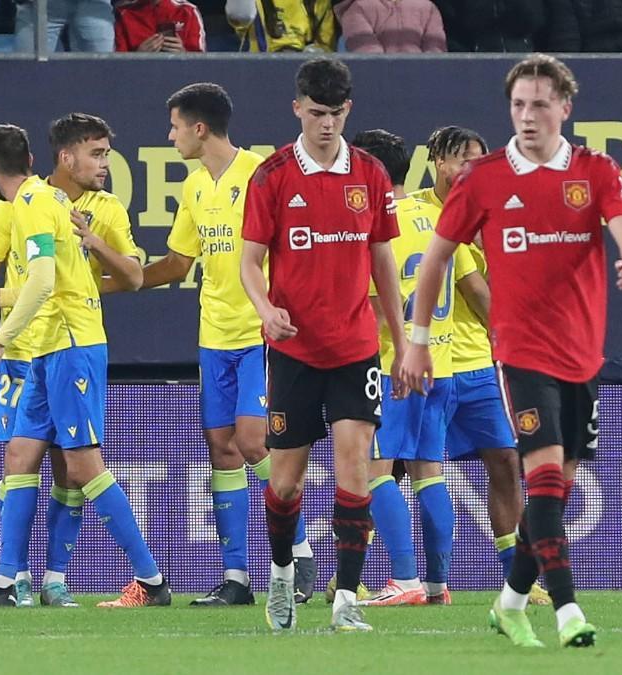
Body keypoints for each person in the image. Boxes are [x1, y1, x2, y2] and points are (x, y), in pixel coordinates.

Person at [401, 53, 622, 648]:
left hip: (582, 354)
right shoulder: (484, 177)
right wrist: (417, 341)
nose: (528, 116)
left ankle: (509, 603)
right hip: (519, 351)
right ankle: (566, 613)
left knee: (554, 490)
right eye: (518, 105)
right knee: (539, 478)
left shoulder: (596, 169)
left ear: (565, 107)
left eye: (540, 104)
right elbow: (435, 258)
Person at [0, 123, 168, 608]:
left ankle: (151, 582)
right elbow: (45, 283)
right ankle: (7, 582)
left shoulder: (30, 206)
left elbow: (45, 284)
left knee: (83, 465)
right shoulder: (47, 204)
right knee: (20, 455)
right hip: (51, 346)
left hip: (70, 345)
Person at [128, 82, 315, 607]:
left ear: (199, 128)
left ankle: (298, 549)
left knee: (255, 442)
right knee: (222, 449)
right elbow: (178, 263)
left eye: (174, 127)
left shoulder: (262, 173)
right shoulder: (193, 187)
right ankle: (236, 578)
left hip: (259, 334)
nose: (171, 137)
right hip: (213, 337)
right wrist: (110, 275)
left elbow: (294, 246)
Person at [239, 58, 406, 632]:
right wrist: (266, 310)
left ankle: (347, 600)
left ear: (348, 111)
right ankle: (282, 575)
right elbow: (249, 262)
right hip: (293, 350)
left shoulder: (372, 175)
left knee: (355, 463)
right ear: (297, 109)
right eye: (316, 113)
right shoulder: (272, 175)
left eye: (335, 114)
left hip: (356, 346)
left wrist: (402, 341)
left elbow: (383, 260)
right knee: (286, 481)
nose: (326, 124)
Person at [349, 129, 486, 607]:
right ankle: (436, 584)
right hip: (442, 366)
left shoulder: (377, 226)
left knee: (374, 471)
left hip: (394, 367)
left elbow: (370, 304)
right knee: (430, 472)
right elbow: (470, 286)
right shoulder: (441, 218)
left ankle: (403, 579)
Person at [419, 125, 550, 606]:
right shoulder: (416, 213)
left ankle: (514, 576)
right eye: (459, 160)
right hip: (427, 361)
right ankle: (358, 572)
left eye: (477, 161)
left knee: (504, 460)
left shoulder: (493, 213)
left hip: (476, 361)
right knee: (385, 466)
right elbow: (478, 294)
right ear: (436, 160)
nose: (468, 170)